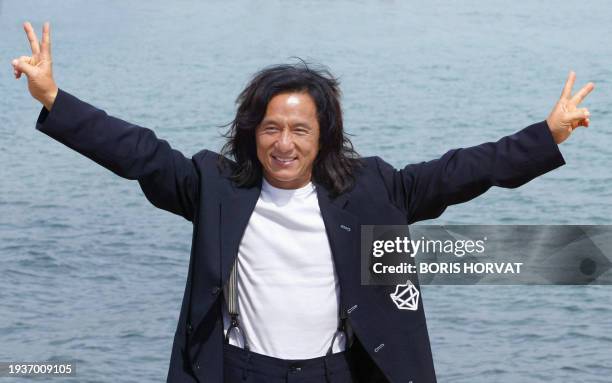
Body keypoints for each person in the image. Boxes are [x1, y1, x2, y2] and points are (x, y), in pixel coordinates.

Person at [12, 22, 594, 383]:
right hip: (240, 369)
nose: (283, 143)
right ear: (251, 131)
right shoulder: (216, 187)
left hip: (339, 371)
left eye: (299, 130)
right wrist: (54, 98)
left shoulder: (372, 190)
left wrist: (545, 135)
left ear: (324, 138)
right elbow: (138, 153)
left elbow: (463, 172)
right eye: (270, 128)